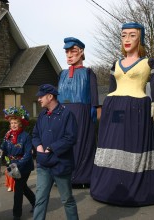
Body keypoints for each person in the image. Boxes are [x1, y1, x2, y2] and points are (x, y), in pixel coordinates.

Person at [90, 22, 154, 206]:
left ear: (140, 38)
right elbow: (111, 88)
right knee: (114, 143)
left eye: (132, 35)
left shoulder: (149, 62)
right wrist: (105, 107)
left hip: (137, 108)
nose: (127, 39)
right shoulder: (115, 63)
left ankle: (136, 189)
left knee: (134, 145)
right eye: (124, 35)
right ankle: (110, 186)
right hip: (115, 107)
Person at [32, 84, 79, 220]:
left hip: (61, 164)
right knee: (40, 199)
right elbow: (35, 135)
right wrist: (39, 147)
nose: (39, 99)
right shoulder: (42, 115)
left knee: (67, 200)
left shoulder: (67, 114)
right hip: (43, 164)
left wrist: (51, 147)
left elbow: (71, 138)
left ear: (50, 96)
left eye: (41, 96)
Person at [58, 37, 99, 187]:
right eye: (67, 52)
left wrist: (93, 107)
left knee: (82, 141)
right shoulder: (62, 74)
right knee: (64, 142)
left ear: (81, 52)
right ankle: (64, 174)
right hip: (63, 111)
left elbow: (94, 94)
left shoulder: (88, 73)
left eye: (73, 51)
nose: (69, 55)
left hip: (82, 111)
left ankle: (83, 176)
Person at [1, 106, 35, 220]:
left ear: (20, 124)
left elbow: (28, 154)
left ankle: (17, 215)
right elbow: (4, 151)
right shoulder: (7, 136)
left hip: (24, 166)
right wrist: (7, 163)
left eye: (16, 122)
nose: (14, 125)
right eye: (12, 123)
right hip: (12, 166)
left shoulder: (25, 136)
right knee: (23, 187)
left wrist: (18, 165)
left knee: (18, 189)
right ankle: (36, 203)